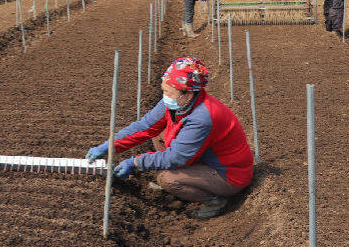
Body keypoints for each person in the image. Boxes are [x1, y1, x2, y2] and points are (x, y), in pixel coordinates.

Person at [85, 57, 254, 220]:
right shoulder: (176, 102)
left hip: (228, 174)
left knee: (166, 178)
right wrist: (109, 146)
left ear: (187, 93)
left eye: (168, 92)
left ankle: (215, 200)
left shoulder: (202, 117)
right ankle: (189, 182)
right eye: (163, 89)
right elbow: (145, 127)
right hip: (201, 157)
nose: (164, 95)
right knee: (158, 133)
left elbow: (175, 158)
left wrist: (135, 162)